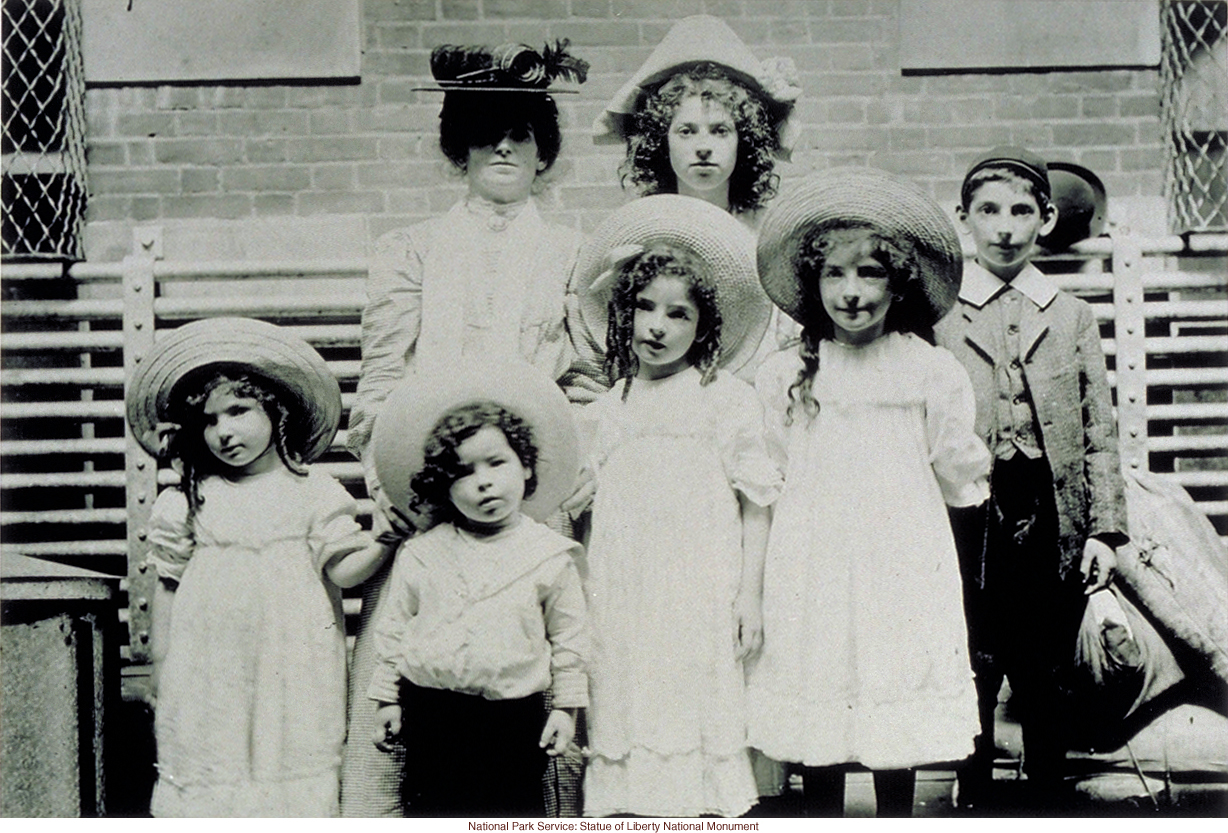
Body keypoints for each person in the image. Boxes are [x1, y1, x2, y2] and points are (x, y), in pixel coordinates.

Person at [342, 40, 596, 817]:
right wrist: (389, 483)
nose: (504, 147)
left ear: (544, 147)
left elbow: (584, 380)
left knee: (535, 690)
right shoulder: (410, 250)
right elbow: (381, 384)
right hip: (430, 497)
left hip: (529, 498)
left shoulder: (573, 253)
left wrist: (568, 472)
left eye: (521, 131)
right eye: (485, 130)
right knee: (416, 691)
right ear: (458, 144)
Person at [746, 168, 991, 817]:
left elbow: (958, 475)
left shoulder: (928, 370)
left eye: (870, 274)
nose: (851, 292)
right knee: (818, 692)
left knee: (891, 701)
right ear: (812, 282)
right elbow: (768, 480)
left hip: (899, 564)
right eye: (835, 274)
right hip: (812, 561)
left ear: (898, 283)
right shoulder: (790, 376)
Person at [125, 317, 391, 817]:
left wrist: (385, 540)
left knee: (290, 757)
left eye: (239, 410)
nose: (224, 431)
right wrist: (162, 669)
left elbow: (344, 571)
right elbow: (168, 584)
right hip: (207, 665)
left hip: (293, 660)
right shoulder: (189, 499)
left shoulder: (313, 493)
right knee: (210, 757)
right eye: (209, 420)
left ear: (276, 412)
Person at [571, 195, 780, 817]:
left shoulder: (725, 402)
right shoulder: (606, 411)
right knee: (625, 691)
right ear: (622, 313)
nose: (657, 327)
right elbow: (584, 517)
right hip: (622, 588)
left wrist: (749, 595)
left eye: (678, 314)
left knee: (695, 695)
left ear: (704, 326)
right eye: (644, 308)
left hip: (699, 587)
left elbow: (757, 503)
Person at [936, 147, 1128, 809]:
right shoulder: (941, 316)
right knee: (976, 658)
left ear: (1045, 219)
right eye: (989, 211)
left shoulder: (1071, 315)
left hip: (1050, 511)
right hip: (970, 516)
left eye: (1022, 210)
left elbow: (1099, 428)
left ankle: (1047, 794)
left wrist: (1104, 530)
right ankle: (973, 791)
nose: (1006, 226)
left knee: (1047, 666)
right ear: (964, 219)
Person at [365, 362, 589, 817]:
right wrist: (387, 699)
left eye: (496, 462)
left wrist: (566, 710)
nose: (483, 481)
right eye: (463, 472)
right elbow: (393, 633)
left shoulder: (547, 554)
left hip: (512, 719)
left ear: (526, 467)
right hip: (431, 714)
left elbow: (570, 639)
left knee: (513, 812)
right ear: (443, 486)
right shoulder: (423, 554)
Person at [593, 14, 803, 384]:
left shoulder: (768, 231)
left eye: (720, 131)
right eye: (686, 131)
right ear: (663, 141)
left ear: (744, 141)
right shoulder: (637, 229)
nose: (704, 147)